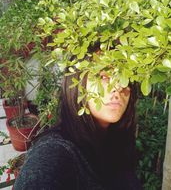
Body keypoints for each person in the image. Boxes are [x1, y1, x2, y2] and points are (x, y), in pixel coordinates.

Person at [14, 68, 142, 190]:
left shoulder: (117, 141)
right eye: (103, 76)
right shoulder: (55, 151)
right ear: (77, 83)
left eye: (124, 76)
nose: (118, 87)